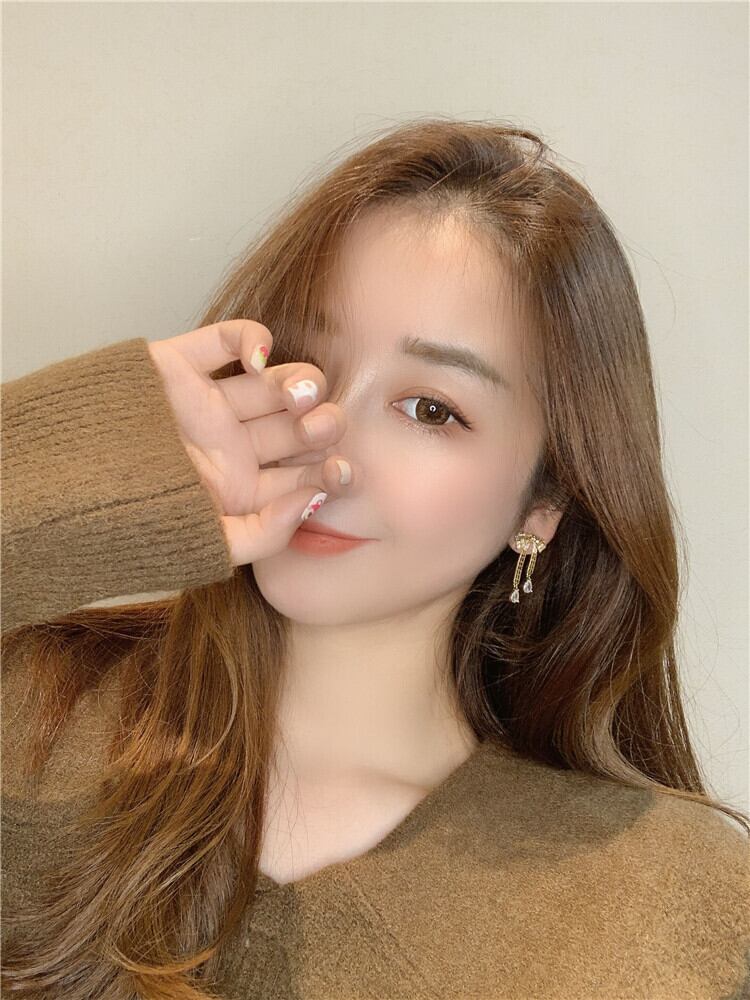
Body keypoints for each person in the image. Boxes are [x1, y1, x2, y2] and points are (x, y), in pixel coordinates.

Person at [2, 118, 748, 1000]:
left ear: (543, 504)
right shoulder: (30, 708)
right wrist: (69, 455)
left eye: (431, 409)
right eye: (302, 363)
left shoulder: (660, 903)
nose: (326, 442)